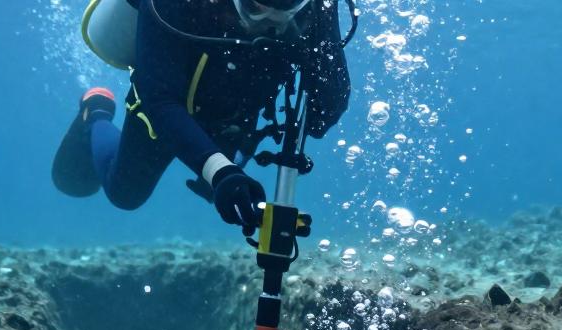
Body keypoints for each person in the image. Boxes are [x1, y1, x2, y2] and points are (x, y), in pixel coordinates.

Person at [52, 0, 351, 231]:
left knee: (228, 192)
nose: (270, 20)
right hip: (167, 99)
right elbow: (159, 99)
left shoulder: (318, 6)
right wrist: (220, 170)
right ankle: (97, 113)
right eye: (256, 7)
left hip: (233, 110)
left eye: (285, 7)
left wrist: (320, 49)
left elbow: (326, 110)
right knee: (125, 194)